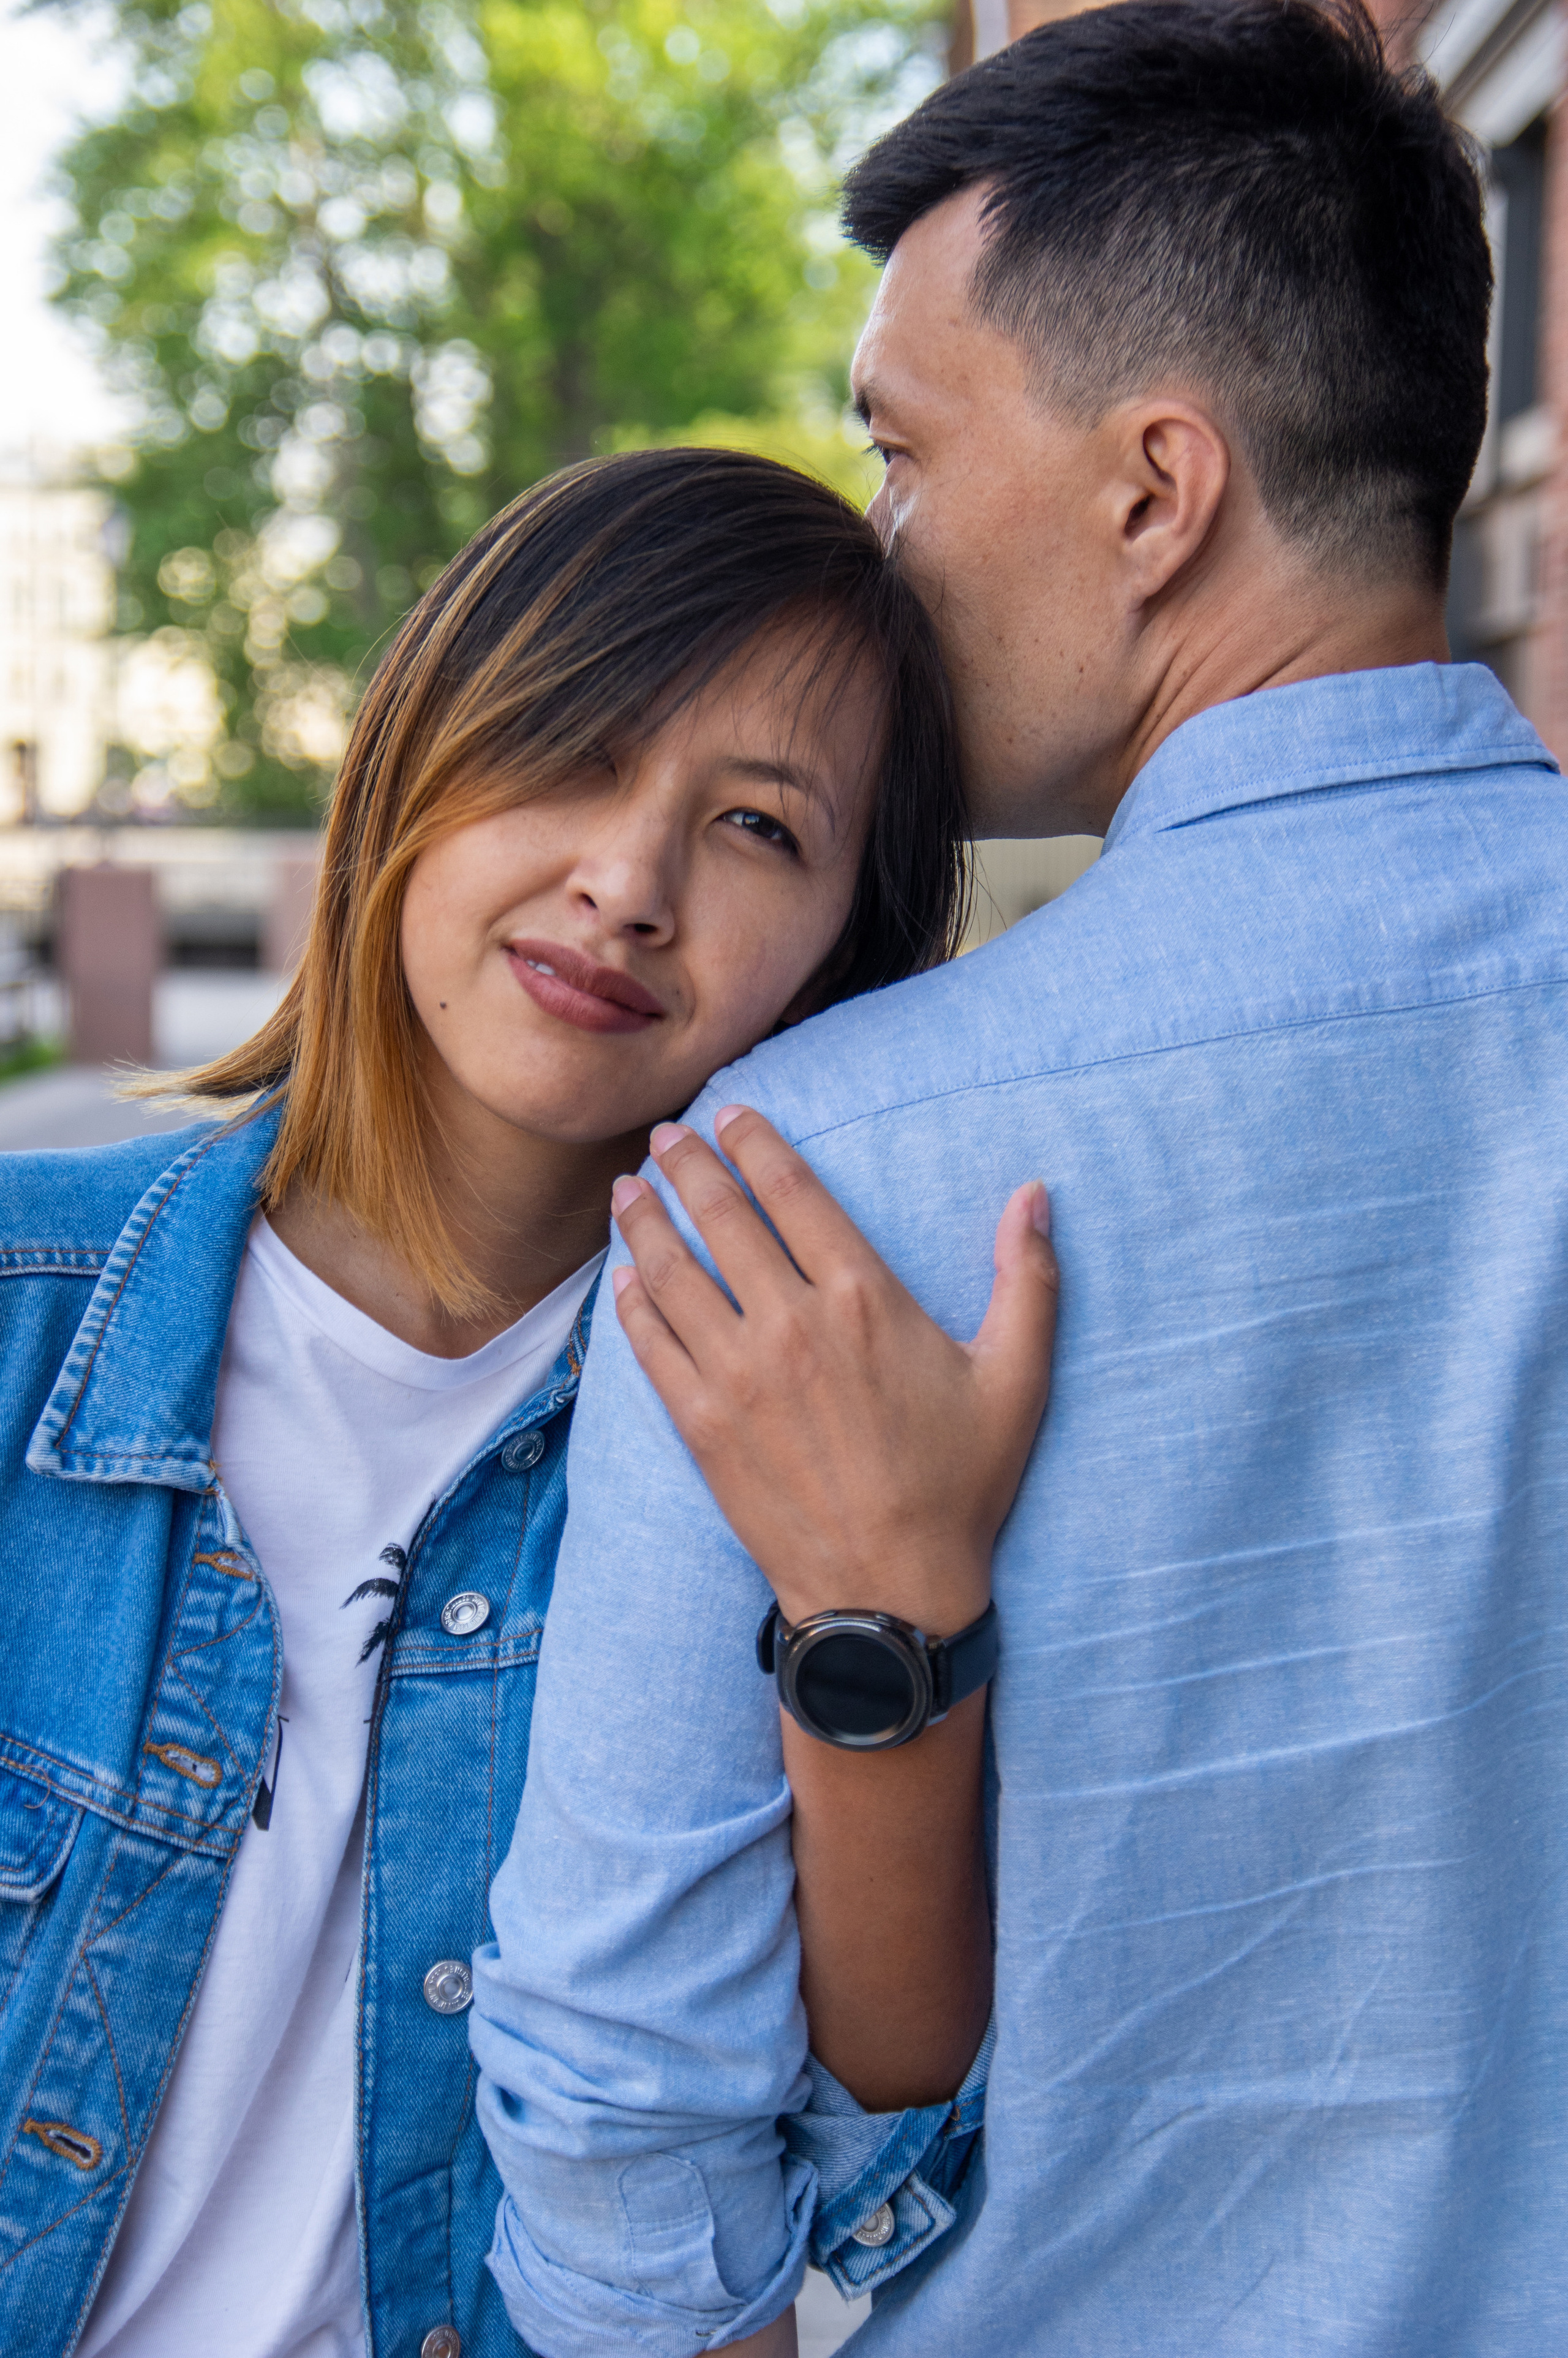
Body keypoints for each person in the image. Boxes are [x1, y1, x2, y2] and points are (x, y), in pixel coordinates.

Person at [472, 3, 1568, 2352]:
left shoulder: (807, 1187)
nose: (881, 546)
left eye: (900, 450)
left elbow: (628, 2106)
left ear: (1155, 495)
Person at [0, 447, 1059, 2358]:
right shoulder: (23, 1315)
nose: (626, 883)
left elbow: (876, 2130)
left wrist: (885, 1603)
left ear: (852, 950)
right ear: (421, 749)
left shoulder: (789, 1428)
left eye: (757, 829)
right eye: (570, 752)